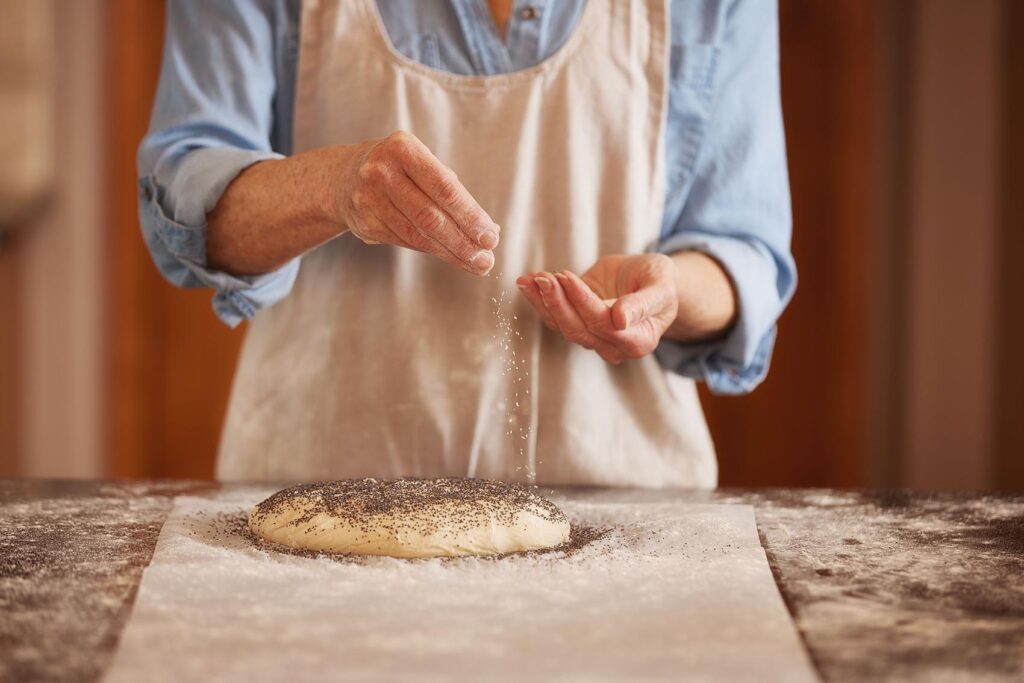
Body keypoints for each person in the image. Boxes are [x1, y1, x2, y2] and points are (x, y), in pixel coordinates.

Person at [138, 0, 795, 487]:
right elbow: (182, 203)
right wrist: (330, 186)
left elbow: (745, 251)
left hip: (619, 512)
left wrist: (668, 292)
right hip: (317, 507)